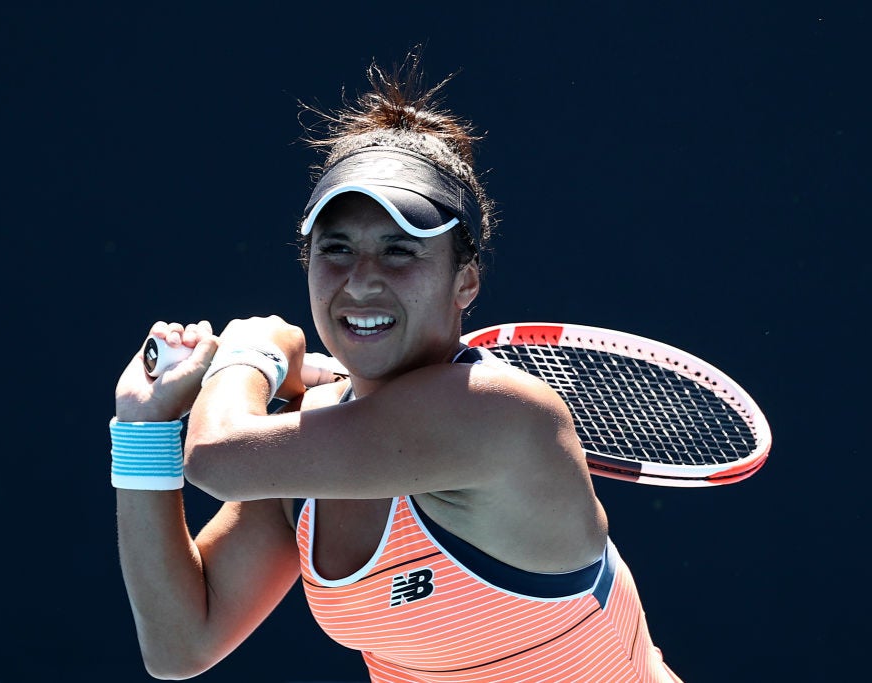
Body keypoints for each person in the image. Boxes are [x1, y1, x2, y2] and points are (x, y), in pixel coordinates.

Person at [112, 53, 683, 682]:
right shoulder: (304, 452)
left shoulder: (497, 410)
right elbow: (179, 644)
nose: (361, 282)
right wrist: (143, 430)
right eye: (336, 249)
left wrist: (254, 353)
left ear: (464, 281)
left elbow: (216, 458)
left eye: (400, 250)